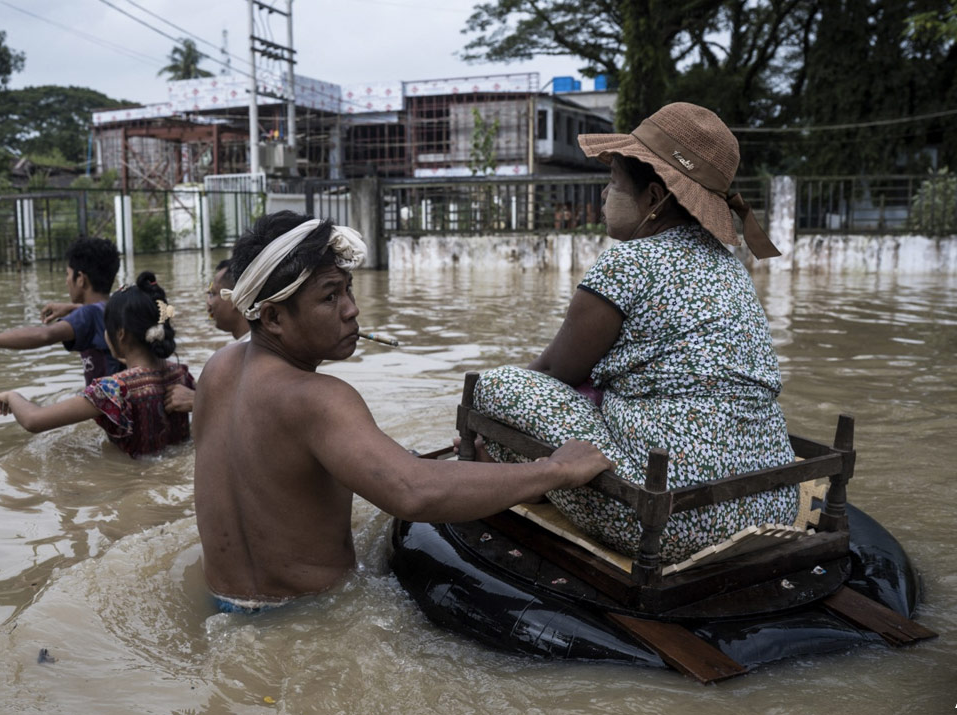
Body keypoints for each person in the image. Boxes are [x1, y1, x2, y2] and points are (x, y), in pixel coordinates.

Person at [193, 211, 612, 613]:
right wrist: (556, 470)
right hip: (315, 617)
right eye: (330, 296)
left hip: (222, 604)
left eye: (348, 289)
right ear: (273, 317)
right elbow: (414, 492)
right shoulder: (318, 398)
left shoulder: (216, 370)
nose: (351, 309)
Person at [470, 102, 796, 563]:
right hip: (771, 504)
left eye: (613, 184)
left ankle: (520, 475)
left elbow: (552, 371)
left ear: (655, 199)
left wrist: (490, 419)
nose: (604, 196)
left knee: (498, 386)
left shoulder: (628, 262)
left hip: (670, 521)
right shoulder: (730, 264)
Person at [0, 271, 196, 458]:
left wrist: (12, 396)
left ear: (121, 334)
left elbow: (33, 420)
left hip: (131, 481)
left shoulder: (113, 389)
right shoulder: (181, 375)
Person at [0, 237, 125, 386]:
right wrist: (72, 308)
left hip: (113, 415)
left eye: (67, 274)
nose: (66, 281)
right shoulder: (117, 306)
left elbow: (43, 335)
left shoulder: (88, 316)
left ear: (80, 279)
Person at [162, 259, 250, 414]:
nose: (208, 303)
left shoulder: (252, 353)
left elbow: (258, 413)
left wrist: (197, 400)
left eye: (213, 293)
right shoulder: (244, 349)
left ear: (236, 298)